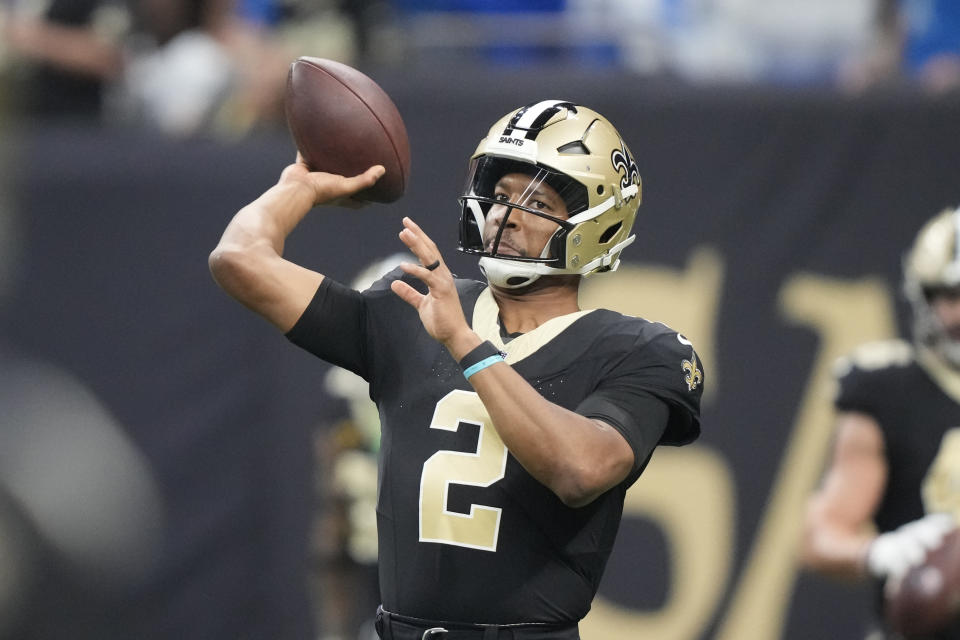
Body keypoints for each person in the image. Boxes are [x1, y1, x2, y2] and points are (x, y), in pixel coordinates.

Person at [209, 100, 704, 639]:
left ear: (598, 223)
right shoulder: (409, 309)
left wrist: (466, 345)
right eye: (500, 195)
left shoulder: (639, 350)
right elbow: (240, 259)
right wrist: (297, 188)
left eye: (536, 202)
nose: (505, 214)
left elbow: (579, 471)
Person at [802, 206, 960, 639]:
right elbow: (822, 533)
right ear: (925, 298)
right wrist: (878, 552)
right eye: (953, 296)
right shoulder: (890, 391)